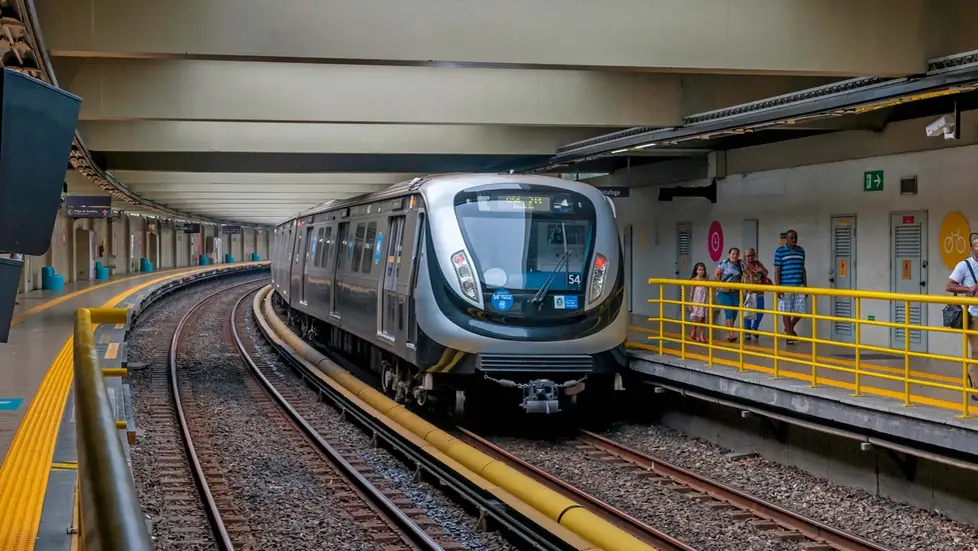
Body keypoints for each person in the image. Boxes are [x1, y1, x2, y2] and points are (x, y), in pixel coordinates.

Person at [946, 233, 978, 402]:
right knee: (976, 352)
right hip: (974, 315)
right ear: (973, 248)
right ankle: (976, 388)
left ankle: (972, 374)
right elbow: (949, 286)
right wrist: (969, 290)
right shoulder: (964, 266)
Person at [774, 230, 807, 345]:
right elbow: (777, 270)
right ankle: (789, 334)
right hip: (785, 285)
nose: (794, 240)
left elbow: (803, 269)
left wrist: (805, 286)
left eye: (795, 238)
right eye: (792, 238)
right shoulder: (780, 251)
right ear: (787, 239)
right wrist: (778, 288)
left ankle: (789, 328)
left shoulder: (801, 251)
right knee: (786, 311)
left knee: (801, 311)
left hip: (798, 285)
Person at [714, 247, 744, 342]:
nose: (734, 256)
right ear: (729, 254)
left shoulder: (740, 263)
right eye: (733, 254)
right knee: (729, 312)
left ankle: (730, 331)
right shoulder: (725, 263)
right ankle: (730, 333)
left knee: (734, 312)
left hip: (735, 291)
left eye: (736, 254)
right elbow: (716, 275)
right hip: (724, 292)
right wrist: (723, 285)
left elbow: (748, 272)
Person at [741, 248, 771, 342]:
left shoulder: (758, 263)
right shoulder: (742, 264)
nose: (750, 257)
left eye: (752, 255)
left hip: (759, 291)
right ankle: (747, 332)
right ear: (745, 256)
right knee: (748, 313)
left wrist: (761, 270)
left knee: (761, 310)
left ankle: (755, 327)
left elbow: (766, 273)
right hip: (748, 291)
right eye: (748, 256)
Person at [687, 262, 709, 343]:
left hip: (704, 301)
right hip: (696, 302)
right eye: (699, 270)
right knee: (698, 318)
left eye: (703, 270)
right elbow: (691, 293)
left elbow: (708, 292)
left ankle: (701, 336)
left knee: (703, 318)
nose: (701, 271)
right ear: (696, 271)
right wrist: (690, 304)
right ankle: (693, 329)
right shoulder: (694, 280)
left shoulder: (706, 280)